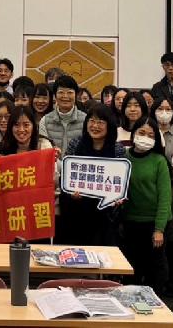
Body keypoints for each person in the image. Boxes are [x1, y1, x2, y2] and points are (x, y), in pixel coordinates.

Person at [58, 104, 122, 245]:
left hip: (104, 218)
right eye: (91, 121)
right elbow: (64, 178)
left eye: (101, 122)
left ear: (110, 125)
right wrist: (70, 193)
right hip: (77, 215)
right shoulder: (75, 144)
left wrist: (118, 197)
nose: (95, 126)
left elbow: (121, 183)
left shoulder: (117, 149)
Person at [121, 116, 171, 293]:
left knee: (155, 270)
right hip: (130, 221)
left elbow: (165, 197)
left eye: (151, 135)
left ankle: (155, 304)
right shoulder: (123, 157)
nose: (145, 138)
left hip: (154, 223)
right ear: (133, 134)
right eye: (141, 133)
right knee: (132, 268)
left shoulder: (159, 160)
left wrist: (159, 229)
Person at [39, 76, 86, 152]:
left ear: (76, 95)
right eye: (61, 92)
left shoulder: (85, 120)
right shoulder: (44, 121)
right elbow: (43, 151)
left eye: (70, 93)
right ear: (55, 95)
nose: (65, 96)